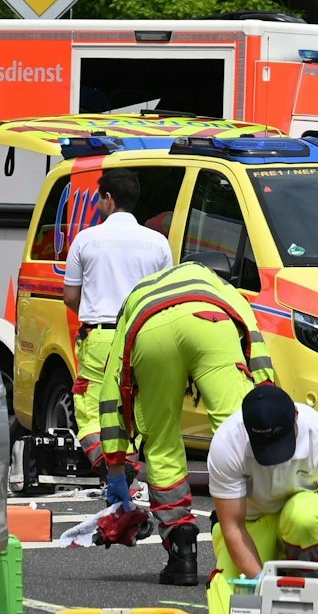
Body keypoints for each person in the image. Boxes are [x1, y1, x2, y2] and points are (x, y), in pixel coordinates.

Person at [96, 258, 274, 585]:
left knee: (162, 442)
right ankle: (237, 532)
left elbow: (111, 389)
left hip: (150, 331)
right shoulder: (222, 289)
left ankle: (182, 550)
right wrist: (269, 409)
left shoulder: (137, 296)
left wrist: (116, 469)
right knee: (237, 432)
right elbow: (257, 352)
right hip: (211, 323)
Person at [204, 383, 318, 614]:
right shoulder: (227, 444)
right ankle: (275, 583)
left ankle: (304, 585)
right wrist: (262, 585)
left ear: (296, 418)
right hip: (252, 524)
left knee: (306, 516)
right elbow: (233, 527)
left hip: (297, 517)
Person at [62, 171, 172, 474]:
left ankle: (111, 468)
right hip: (143, 338)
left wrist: (92, 312)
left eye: (99, 199)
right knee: (132, 408)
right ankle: (127, 471)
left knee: (92, 408)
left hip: (100, 337)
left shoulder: (86, 240)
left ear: (108, 199)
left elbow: (70, 296)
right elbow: (165, 298)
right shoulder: (158, 243)